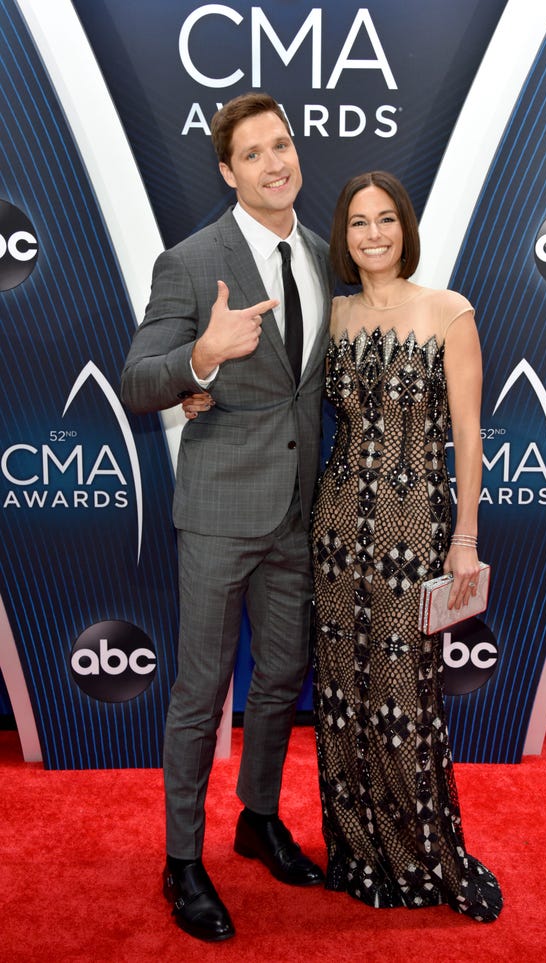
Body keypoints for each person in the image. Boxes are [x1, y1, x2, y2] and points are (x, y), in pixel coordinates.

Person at [120, 92, 334, 943]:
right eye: (253, 153)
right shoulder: (190, 259)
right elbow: (140, 381)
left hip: (296, 513)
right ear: (226, 171)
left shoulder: (320, 254)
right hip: (217, 514)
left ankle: (257, 817)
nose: (275, 163)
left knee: (281, 676)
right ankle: (182, 859)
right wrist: (202, 356)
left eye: (282, 144)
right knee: (201, 691)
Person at [309, 170, 503, 921]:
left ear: (405, 228)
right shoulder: (332, 315)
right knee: (341, 694)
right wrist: (201, 392)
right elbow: (277, 395)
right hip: (336, 527)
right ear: (344, 236)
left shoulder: (450, 311)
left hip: (414, 524)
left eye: (386, 219)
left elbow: (468, 434)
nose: (373, 235)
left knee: (402, 695)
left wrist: (465, 538)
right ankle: (358, 850)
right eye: (359, 222)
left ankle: (420, 854)